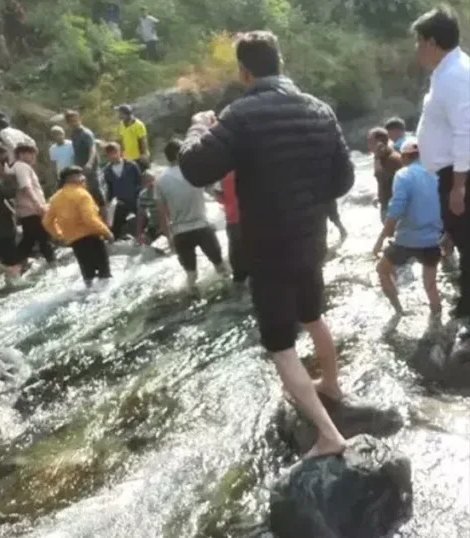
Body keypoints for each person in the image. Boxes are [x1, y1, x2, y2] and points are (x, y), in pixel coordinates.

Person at [178, 31, 354, 458]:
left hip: (269, 246)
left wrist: (197, 127)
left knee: (280, 344)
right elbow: (345, 179)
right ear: (281, 60)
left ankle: (329, 435)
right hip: (311, 238)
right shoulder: (319, 110)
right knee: (313, 316)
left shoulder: (240, 115)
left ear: (244, 70)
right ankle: (331, 385)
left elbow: (196, 168)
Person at [411, 6, 470, 320]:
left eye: (418, 41)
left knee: (466, 241)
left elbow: (466, 130)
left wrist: (459, 186)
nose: (416, 49)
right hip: (452, 172)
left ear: (431, 41)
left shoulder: (456, 75)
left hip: (459, 174)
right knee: (460, 237)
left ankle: (467, 311)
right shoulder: (448, 71)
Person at [372, 139, 443, 315]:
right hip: (433, 239)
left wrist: (381, 239)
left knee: (382, 270)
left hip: (406, 239)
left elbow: (396, 209)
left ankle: (399, 312)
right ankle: (437, 319)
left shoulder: (403, 174)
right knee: (431, 286)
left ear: (404, 157)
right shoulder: (438, 175)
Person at [155, 139, 229, 288]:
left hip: (180, 233)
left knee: (191, 275)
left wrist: (169, 237)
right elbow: (214, 192)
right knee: (221, 267)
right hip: (202, 227)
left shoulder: (160, 180)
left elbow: (161, 212)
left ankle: (190, 298)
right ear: (179, 154)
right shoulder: (194, 171)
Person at [43, 166, 114, 286]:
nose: (83, 177)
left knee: (88, 276)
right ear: (71, 178)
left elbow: (46, 222)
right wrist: (107, 232)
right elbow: (90, 219)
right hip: (92, 238)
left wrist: (59, 235)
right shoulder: (82, 194)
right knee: (105, 275)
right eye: (80, 175)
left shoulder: (55, 198)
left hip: (75, 241)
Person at [12, 144, 55, 264]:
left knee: (29, 240)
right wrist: (38, 204)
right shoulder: (22, 167)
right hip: (31, 209)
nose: (34, 157)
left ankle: (14, 264)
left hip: (27, 210)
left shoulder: (18, 167)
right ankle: (53, 264)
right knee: (44, 238)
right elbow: (26, 187)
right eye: (31, 154)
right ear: (21, 154)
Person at [102, 142, 144, 239]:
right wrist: (109, 203)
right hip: (120, 202)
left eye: (115, 152)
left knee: (144, 219)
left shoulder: (131, 165)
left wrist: (142, 196)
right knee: (116, 223)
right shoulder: (107, 171)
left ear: (120, 152)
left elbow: (140, 181)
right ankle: (116, 238)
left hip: (136, 199)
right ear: (107, 156)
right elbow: (109, 188)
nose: (113, 155)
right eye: (110, 154)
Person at [212, 171, 247, 283]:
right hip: (253, 219)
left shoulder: (223, 174)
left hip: (234, 221)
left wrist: (229, 201)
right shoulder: (253, 169)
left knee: (237, 262)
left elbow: (218, 195)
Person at [65, 110, 104, 210]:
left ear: (79, 119)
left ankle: (106, 217)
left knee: (96, 191)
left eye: (75, 120)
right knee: (85, 192)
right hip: (80, 167)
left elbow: (93, 148)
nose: (74, 123)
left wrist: (90, 163)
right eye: (71, 121)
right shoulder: (74, 134)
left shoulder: (86, 133)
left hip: (90, 167)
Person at [368, 127, 406, 223]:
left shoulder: (394, 159)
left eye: (371, 141)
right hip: (385, 204)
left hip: (395, 208)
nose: (368, 145)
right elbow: (381, 181)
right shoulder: (378, 158)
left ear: (380, 142)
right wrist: (379, 196)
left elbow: (402, 188)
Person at [114, 104, 150, 170]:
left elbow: (143, 141)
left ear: (127, 114)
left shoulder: (139, 125)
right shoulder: (122, 124)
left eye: (121, 113)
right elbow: (123, 140)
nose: (119, 115)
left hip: (138, 158)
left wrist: (144, 155)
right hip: (127, 158)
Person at [135, 171, 162, 246]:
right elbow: (141, 215)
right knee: (144, 244)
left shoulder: (164, 191)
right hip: (153, 225)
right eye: (147, 182)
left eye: (152, 180)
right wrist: (139, 234)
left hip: (168, 223)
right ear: (143, 184)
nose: (151, 183)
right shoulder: (143, 195)